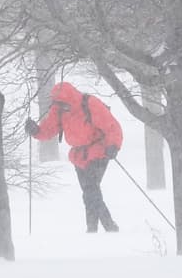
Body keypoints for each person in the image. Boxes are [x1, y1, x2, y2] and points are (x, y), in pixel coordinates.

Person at [26, 81, 123, 233]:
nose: (62, 108)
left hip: (98, 152)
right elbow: (49, 129)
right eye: (59, 105)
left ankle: (107, 227)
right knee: (89, 193)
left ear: (70, 99)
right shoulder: (59, 109)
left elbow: (112, 126)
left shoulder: (89, 104)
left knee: (90, 191)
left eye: (64, 104)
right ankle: (95, 229)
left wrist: (113, 145)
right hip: (79, 156)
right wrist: (36, 131)